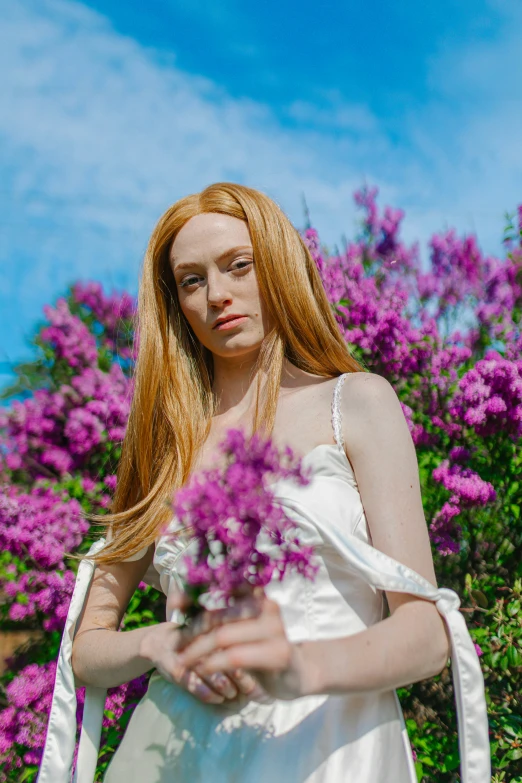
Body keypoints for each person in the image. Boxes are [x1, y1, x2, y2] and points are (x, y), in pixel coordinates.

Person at [38, 182, 490, 783]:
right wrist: (158, 645)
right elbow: (87, 646)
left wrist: (296, 667)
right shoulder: (166, 442)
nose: (217, 295)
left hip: (330, 746)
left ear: (276, 265)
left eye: (238, 266)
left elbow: (427, 634)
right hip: (169, 753)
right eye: (192, 281)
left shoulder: (357, 403)